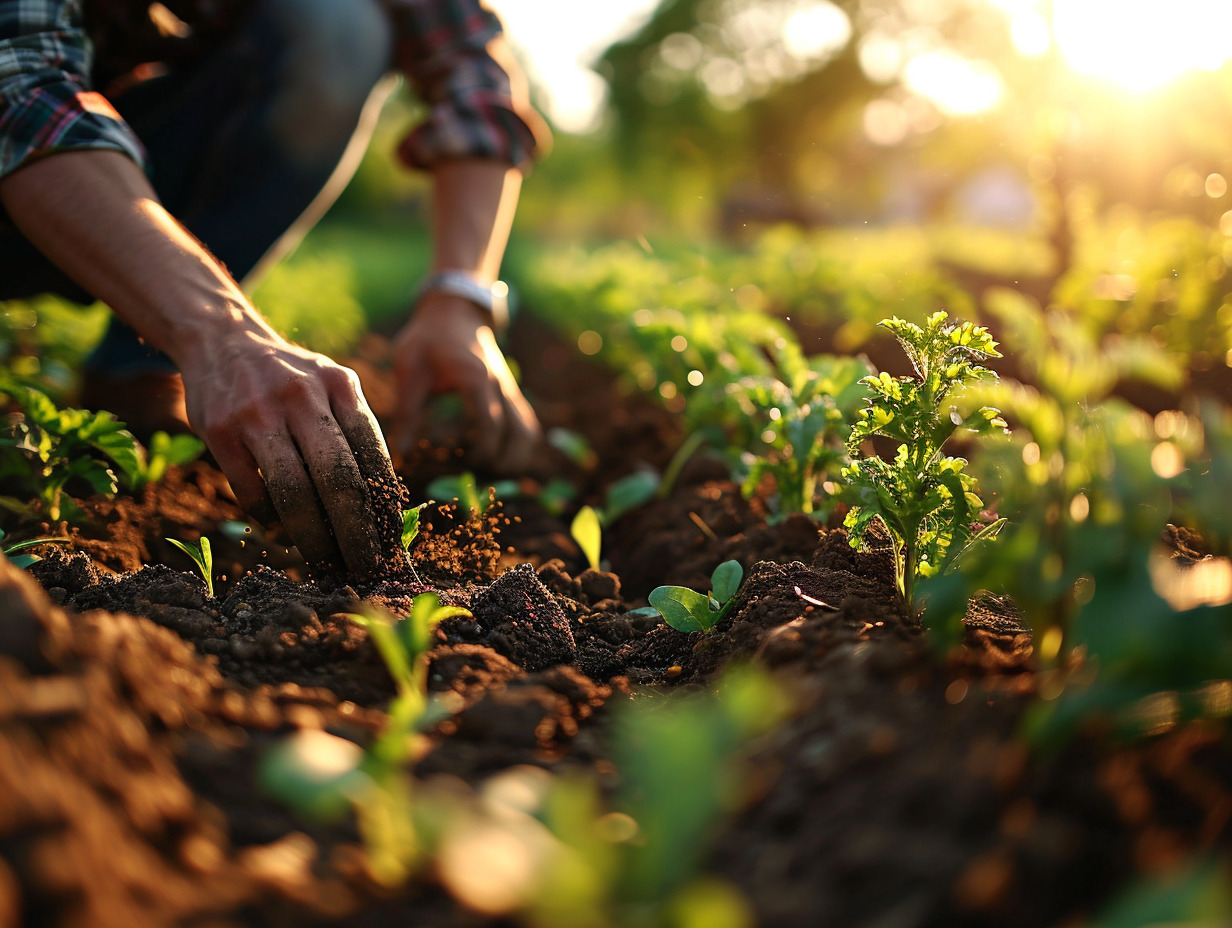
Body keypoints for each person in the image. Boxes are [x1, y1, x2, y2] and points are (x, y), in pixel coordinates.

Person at [0, 0, 550, 575]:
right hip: (30, 171)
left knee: (340, 23)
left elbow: (470, 70)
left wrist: (460, 298)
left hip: (132, 159)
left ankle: (134, 371)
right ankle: (181, 340)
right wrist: (220, 331)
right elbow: (24, 95)